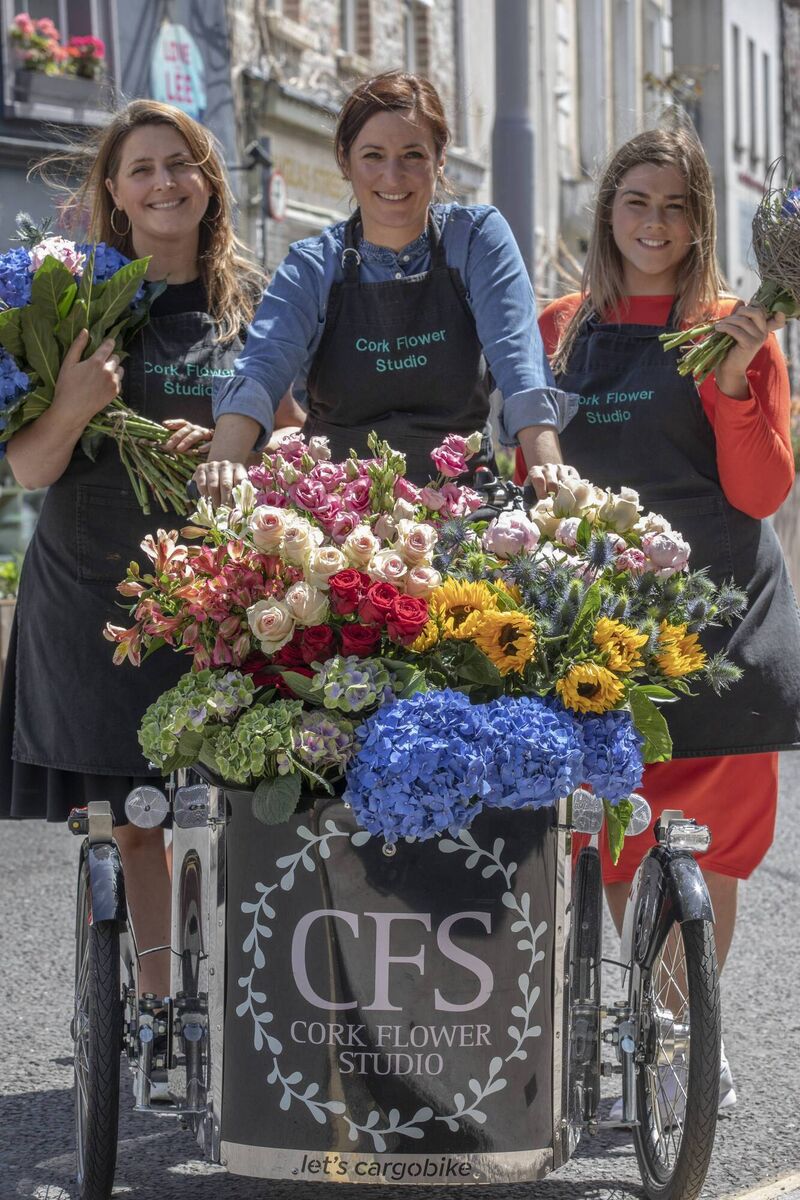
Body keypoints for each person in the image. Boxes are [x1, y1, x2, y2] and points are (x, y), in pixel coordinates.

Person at [514, 126, 800, 1113]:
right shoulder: (553, 329)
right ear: (607, 212)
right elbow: (527, 483)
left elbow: (761, 490)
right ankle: (642, 1016)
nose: (652, 222)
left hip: (720, 623)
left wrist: (731, 383)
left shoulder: (736, 330)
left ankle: (684, 1038)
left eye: (674, 206)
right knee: (612, 847)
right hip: (593, 630)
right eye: (635, 201)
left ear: (699, 223)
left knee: (707, 848)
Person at [0, 99, 267, 998]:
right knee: (133, 825)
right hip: (92, 597)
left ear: (208, 180)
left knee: (241, 818)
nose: (163, 183)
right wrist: (75, 402)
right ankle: (157, 1017)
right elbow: (33, 469)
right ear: (113, 190)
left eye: (180, 164)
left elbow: (299, 436)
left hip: (221, 602)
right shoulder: (73, 300)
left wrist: (236, 444)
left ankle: (232, 1015)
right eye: (142, 169)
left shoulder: (254, 304)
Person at [193, 70, 578, 503]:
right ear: (345, 160)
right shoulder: (313, 263)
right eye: (373, 156)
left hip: (460, 505)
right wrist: (223, 462)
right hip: (336, 515)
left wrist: (547, 464)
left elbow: (518, 357)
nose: (392, 177)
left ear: (440, 157)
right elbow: (261, 368)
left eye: (412, 155)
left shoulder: (476, 239)